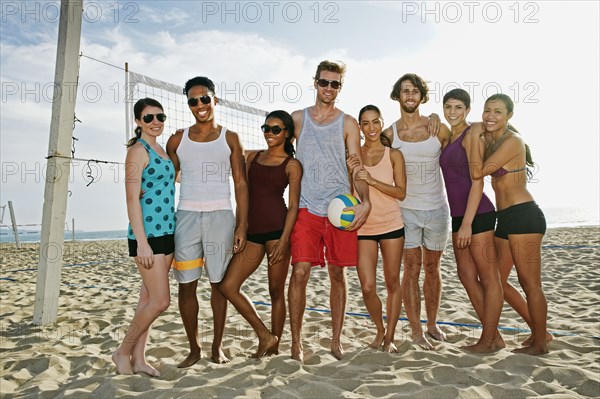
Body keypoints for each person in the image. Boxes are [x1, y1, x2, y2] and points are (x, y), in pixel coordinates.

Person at [288, 60, 372, 362]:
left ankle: (336, 341)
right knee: (299, 272)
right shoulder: (298, 119)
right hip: (307, 208)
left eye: (335, 84)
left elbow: (357, 166)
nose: (329, 88)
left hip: (341, 209)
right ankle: (296, 343)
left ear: (340, 87)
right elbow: (277, 154)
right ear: (315, 83)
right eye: (324, 82)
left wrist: (366, 201)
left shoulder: (348, 123)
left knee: (338, 274)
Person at [166, 76, 249, 367]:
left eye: (204, 99)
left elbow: (240, 184)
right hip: (186, 217)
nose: (199, 105)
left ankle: (217, 347)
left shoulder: (231, 138)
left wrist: (241, 225)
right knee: (186, 286)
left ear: (215, 100)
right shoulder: (177, 139)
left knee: (218, 285)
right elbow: (164, 180)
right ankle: (194, 349)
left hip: (221, 218)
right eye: (193, 100)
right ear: (188, 104)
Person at [219, 110, 302, 358]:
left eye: (276, 129)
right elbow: (224, 157)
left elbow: (294, 206)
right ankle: (265, 335)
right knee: (228, 286)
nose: (270, 133)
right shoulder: (252, 157)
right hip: (252, 231)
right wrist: (240, 226)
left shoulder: (292, 164)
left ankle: (272, 349)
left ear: (287, 133)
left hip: (278, 233)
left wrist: (284, 240)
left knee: (276, 291)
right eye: (266, 128)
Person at [471, 93, 549, 355]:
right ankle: (541, 331)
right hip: (504, 218)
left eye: (498, 112)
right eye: (487, 111)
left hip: (524, 216)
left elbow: (478, 171)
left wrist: (473, 138)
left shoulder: (513, 141)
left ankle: (539, 344)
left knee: (530, 284)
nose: (491, 116)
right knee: (496, 281)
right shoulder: (492, 139)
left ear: (509, 116)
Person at [382, 73, 452, 350]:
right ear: (397, 96)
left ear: (422, 97)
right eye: (404, 91)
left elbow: (460, 155)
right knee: (410, 270)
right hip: (405, 210)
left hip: (437, 208)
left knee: (433, 269)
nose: (409, 96)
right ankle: (415, 331)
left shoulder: (438, 128)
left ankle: (432, 324)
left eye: (414, 92)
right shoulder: (389, 135)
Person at [112, 98, 175, 376]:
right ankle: (122, 352)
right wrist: (142, 242)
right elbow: (131, 199)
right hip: (147, 235)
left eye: (159, 116)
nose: (155, 122)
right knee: (161, 301)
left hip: (169, 230)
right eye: (148, 118)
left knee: (147, 300)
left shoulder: (161, 149)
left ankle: (139, 359)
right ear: (138, 122)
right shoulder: (138, 151)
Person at [439, 89, 504, 353]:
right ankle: (494, 336)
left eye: (458, 107)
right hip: (457, 215)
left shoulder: (471, 134)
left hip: (478, 214)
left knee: (489, 279)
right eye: (448, 107)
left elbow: (478, 181)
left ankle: (488, 339)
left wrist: (467, 224)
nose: (452, 112)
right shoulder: (448, 136)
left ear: (467, 110)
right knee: (465, 275)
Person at [346, 105, 407, 353]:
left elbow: (400, 193)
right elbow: (350, 190)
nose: (370, 128)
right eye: (365, 123)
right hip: (364, 226)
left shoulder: (394, 155)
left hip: (391, 223)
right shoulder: (353, 155)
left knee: (393, 281)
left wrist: (371, 180)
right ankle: (379, 329)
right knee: (368, 287)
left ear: (382, 124)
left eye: (375, 122)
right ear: (360, 127)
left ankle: (390, 337)